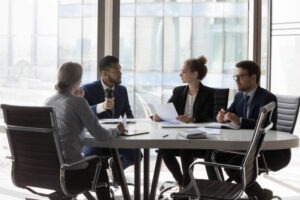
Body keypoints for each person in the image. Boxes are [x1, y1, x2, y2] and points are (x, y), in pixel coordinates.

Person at [208, 60, 290, 200]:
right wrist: (222, 116)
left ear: (253, 77)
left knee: (234, 164)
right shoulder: (239, 96)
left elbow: (266, 125)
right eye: (236, 77)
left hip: (266, 151)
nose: (237, 80)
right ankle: (222, 194)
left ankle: (255, 194)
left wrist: (239, 121)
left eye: (241, 76)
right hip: (243, 147)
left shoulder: (268, 98)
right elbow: (229, 114)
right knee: (210, 156)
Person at [45, 62, 126, 199]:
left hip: (50, 169)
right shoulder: (77, 102)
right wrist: (117, 130)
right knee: (98, 164)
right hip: (72, 170)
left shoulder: (48, 101)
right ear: (78, 81)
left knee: (91, 161)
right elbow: (100, 135)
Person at [153, 55, 215, 188]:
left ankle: (186, 186)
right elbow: (168, 109)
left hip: (201, 137)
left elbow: (211, 116)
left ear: (194, 74)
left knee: (185, 148)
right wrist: (158, 116)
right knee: (163, 149)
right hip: (180, 134)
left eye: (184, 71)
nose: (180, 74)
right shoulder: (178, 91)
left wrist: (193, 119)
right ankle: (183, 183)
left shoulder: (209, 93)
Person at [81, 55, 141, 182]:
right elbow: (82, 113)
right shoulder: (88, 89)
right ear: (104, 73)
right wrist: (100, 107)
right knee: (93, 158)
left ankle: (116, 168)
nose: (121, 73)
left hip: (117, 135)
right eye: (117, 70)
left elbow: (128, 114)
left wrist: (131, 125)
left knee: (136, 155)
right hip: (96, 137)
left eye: (120, 69)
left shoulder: (122, 90)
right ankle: (103, 183)